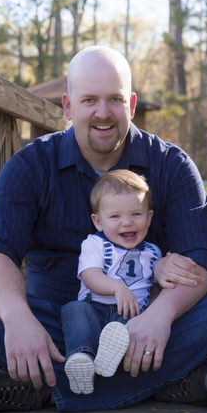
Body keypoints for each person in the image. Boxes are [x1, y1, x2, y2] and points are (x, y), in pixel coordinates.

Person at [0, 46, 207, 413]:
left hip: (138, 323)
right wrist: (18, 319)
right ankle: (164, 383)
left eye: (114, 100)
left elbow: (201, 260)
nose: (102, 113)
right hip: (55, 323)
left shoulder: (172, 165)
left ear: (132, 104)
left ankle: (41, 391)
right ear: (69, 106)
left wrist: (160, 317)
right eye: (89, 100)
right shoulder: (31, 165)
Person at [62, 169, 161, 395]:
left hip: (130, 317)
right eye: (115, 217)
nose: (126, 223)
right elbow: (90, 276)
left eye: (136, 214)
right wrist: (118, 288)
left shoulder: (153, 253)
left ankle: (110, 357)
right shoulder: (94, 244)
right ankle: (81, 357)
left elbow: (155, 288)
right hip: (94, 310)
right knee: (74, 310)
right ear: (98, 222)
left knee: (130, 327)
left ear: (149, 217)